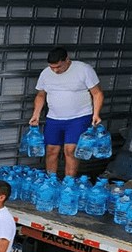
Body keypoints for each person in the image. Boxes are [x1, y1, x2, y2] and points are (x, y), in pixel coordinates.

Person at [29, 47, 103, 177]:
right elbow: (40, 95)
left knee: (70, 151)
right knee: (51, 150)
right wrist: (36, 114)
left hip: (79, 117)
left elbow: (97, 93)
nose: (55, 70)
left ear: (67, 60)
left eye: (58, 67)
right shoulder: (46, 73)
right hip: (54, 118)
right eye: (52, 67)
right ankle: (51, 181)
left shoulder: (84, 69)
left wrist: (96, 114)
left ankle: (69, 182)